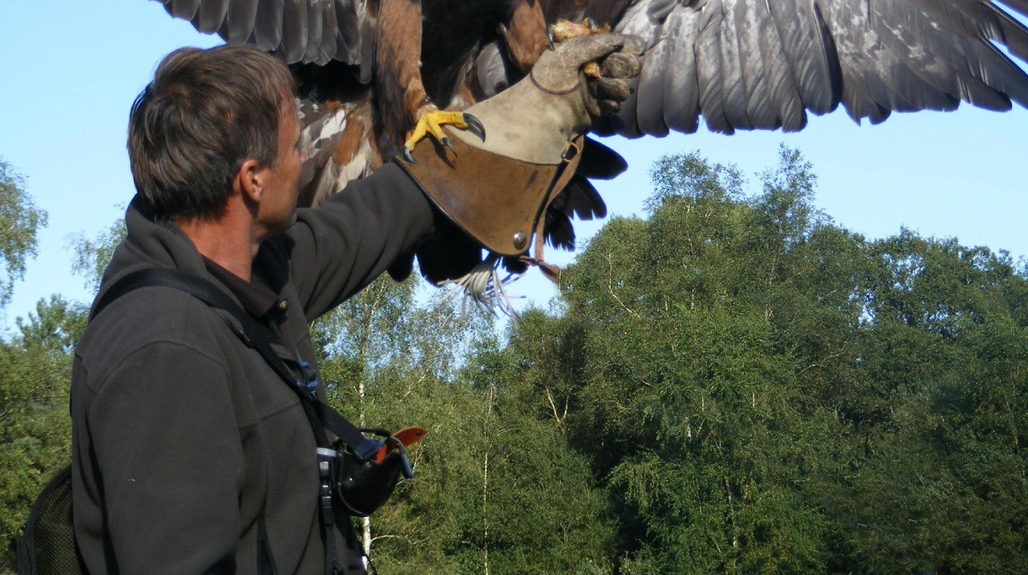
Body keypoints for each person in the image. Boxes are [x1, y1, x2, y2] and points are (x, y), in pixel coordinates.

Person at [69, 35, 641, 574]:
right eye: (297, 145)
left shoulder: (252, 274)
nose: (306, 157)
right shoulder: (164, 350)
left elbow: (383, 212)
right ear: (252, 181)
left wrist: (544, 105)